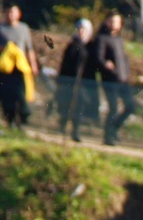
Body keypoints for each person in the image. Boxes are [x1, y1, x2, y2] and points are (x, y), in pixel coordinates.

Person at [0, 4, 39, 127]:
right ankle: (9, 119)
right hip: (5, 68)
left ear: (18, 14)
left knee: (21, 93)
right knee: (7, 95)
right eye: (8, 12)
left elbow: (29, 48)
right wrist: (6, 48)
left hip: (20, 67)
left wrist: (33, 64)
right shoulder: (0, 29)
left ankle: (22, 119)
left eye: (13, 12)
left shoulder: (23, 28)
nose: (10, 15)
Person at [96, 12, 137, 145]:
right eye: (112, 21)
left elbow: (123, 59)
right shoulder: (102, 38)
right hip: (110, 80)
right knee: (113, 108)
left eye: (117, 22)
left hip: (123, 79)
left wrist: (127, 72)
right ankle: (108, 136)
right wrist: (108, 66)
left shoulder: (118, 40)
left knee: (130, 106)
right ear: (107, 22)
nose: (114, 24)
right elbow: (99, 58)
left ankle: (114, 129)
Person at [56, 18, 100, 141]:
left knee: (80, 106)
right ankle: (64, 125)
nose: (81, 32)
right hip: (71, 81)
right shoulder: (72, 45)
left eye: (84, 30)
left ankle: (75, 131)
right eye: (80, 29)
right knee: (68, 105)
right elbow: (65, 64)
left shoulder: (91, 46)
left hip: (85, 83)